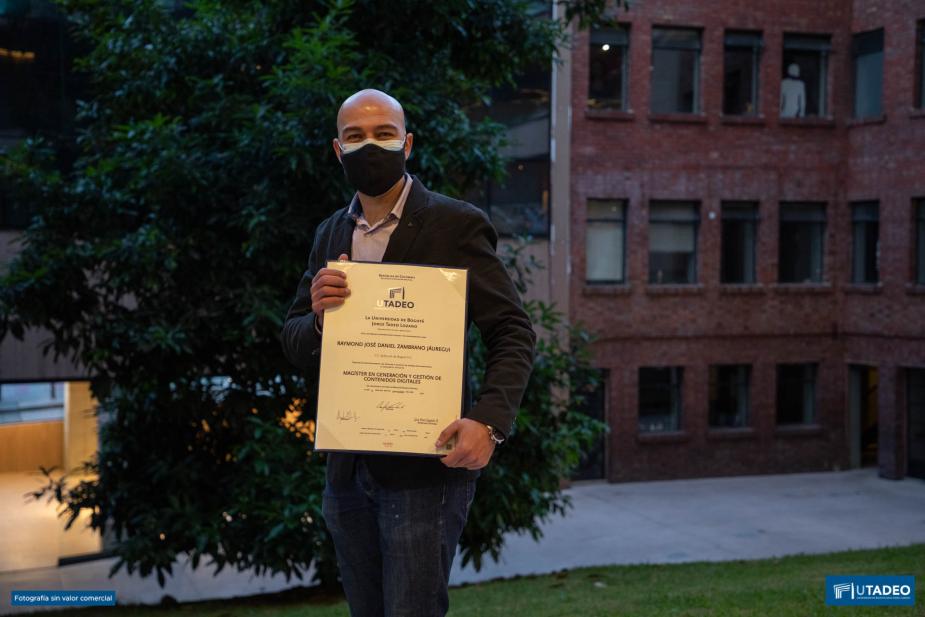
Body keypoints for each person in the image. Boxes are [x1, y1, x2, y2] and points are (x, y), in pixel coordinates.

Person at [280, 88, 537, 617]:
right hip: (347, 470)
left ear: (408, 143)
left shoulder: (456, 224)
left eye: (384, 134)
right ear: (337, 149)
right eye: (355, 137)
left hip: (425, 472)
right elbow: (295, 339)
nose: (370, 146)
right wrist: (321, 319)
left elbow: (512, 330)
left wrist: (489, 423)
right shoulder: (331, 233)